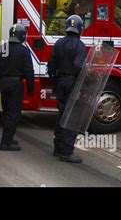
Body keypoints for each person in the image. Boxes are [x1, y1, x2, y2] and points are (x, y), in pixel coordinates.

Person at [47, 15, 87, 164]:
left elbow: (51, 65)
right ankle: (66, 152)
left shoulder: (58, 43)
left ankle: (57, 148)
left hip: (60, 83)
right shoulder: (79, 45)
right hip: (72, 83)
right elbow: (78, 66)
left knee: (61, 115)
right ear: (80, 28)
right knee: (71, 118)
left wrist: (55, 81)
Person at [0, 24, 34, 151]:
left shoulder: (2, 48)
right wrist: (30, 88)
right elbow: (29, 71)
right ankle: (6, 142)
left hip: (4, 84)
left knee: (6, 112)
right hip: (16, 85)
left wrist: (2, 80)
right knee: (13, 114)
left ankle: (9, 138)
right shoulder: (23, 50)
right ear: (22, 36)